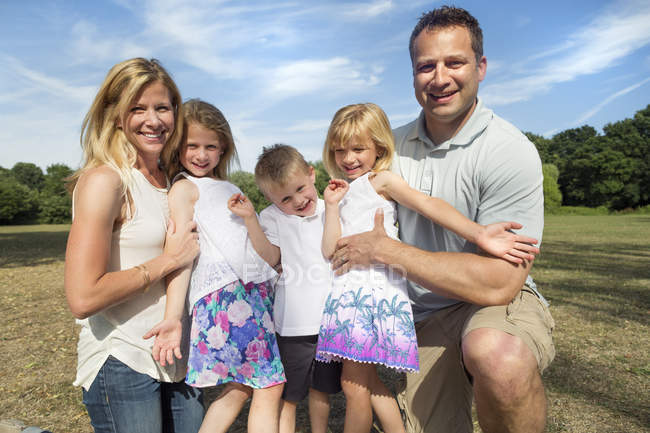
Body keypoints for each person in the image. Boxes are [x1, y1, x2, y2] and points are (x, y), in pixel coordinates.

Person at [330, 7, 556, 433]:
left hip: (492, 303)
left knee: (498, 356)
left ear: (480, 67)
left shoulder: (509, 150)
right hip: (422, 314)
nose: (439, 78)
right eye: (426, 66)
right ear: (413, 75)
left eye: (455, 62)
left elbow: (499, 283)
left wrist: (386, 250)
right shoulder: (385, 147)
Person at [317, 103, 540, 433]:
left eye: (358, 149)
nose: (348, 158)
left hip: (371, 296)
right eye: (339, 150)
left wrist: (479, 233)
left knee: (354, 385)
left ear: (379, 148)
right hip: (346, 297)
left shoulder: (381, 181)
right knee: (367, 383)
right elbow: (330, 250)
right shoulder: (340, 192)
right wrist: (332, 207)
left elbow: (428, 205)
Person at [64, 58, 204, 433]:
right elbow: (83, 297)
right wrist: (168, 260)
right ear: (114, 115)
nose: (153, 120)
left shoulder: (174, 181)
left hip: (178, 353)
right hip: (123, 357)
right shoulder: (106, 181)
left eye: (162, 108)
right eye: (137, 109)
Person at [143, 99, 285, 433]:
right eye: (192, 145)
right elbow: (181, 255)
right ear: (177, 147)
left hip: (252, 295)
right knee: (269, 384)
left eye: (211, 146)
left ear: (223, 149)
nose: (201, 155)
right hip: (226, 298)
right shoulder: (184, 189)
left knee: (241, 387)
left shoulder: (228, 187)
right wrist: (174, 317)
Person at [254, 145, 343, 433]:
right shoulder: (271, 217)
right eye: (285, 198)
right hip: (293, 326)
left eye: (301, 189)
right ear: (271, 200)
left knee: (321, 391)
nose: (298, 201)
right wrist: (248, 219)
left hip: (329, 320)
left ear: (311, 174)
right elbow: (271, 257)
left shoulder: (332, 208)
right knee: (290, 396)